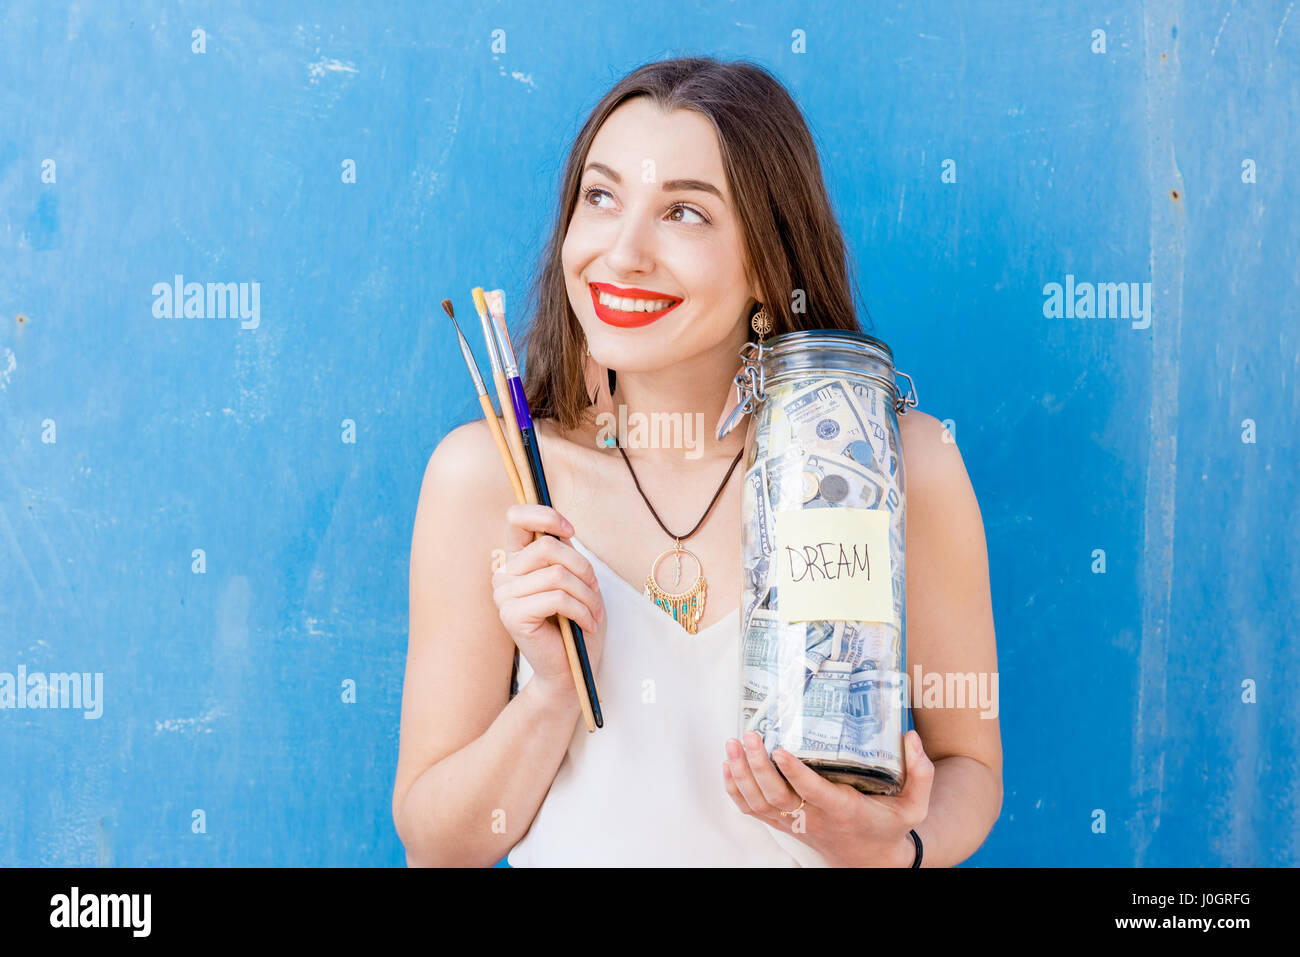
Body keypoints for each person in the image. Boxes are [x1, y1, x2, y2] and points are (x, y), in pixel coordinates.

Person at [392, 56, 1001, 866]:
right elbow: (437, 845)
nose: (623, 252)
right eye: (601, 197)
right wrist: (549, 693)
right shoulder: (488, 478)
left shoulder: (895, 463)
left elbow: (972, 767)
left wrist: (893, 851)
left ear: (767, 263)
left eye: (683, 212)